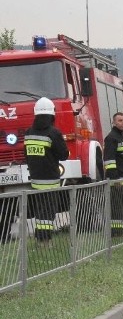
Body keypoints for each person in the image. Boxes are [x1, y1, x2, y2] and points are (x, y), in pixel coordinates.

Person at [24, 97, 69, 243]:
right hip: (50, 179)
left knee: (40, 212)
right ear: (52, 114)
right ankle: (44, 242)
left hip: (36, 180)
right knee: (48, 212)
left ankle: (40, 239)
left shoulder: (28, 132)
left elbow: (26, 155)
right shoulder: (53, 133)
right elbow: (63, 155)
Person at [103, 112, 123, 236]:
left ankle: (120, 232)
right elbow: (109, 161)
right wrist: (115, 179)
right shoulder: (111, 138)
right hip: (117, 181)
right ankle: (116, 234)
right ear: (114, 122)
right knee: (116, 208)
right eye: (120, 120)